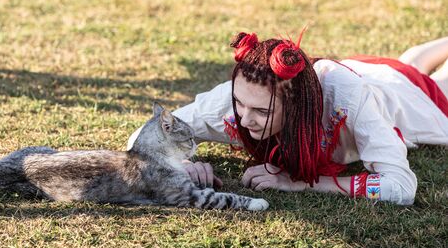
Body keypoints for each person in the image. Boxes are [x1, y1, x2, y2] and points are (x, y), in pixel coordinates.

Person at [127, 32, 448, 205]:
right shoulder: (234, 100)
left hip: (404, 98)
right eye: (239, 103)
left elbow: (401, 188)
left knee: (428, 78)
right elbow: (144, 135)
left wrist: (302, 183)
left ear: (296, 105)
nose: (244, 118)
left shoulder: (350, 101)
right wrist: (180, 165)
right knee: (410, 61)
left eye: (263, 112)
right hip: (368, 70)